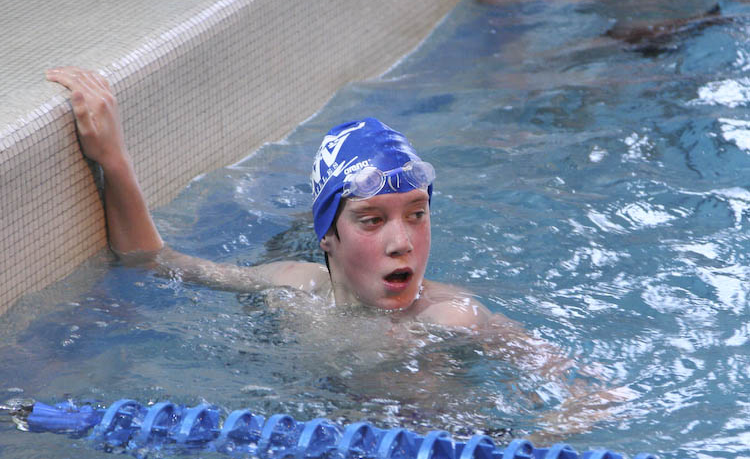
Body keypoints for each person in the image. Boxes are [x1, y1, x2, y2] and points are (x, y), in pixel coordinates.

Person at [45, 66, 631, 442]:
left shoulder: (454, 317)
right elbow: (155, 261)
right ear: (327, 235)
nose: (402, 241)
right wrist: (113, 159)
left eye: (418, 214)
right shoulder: (291, 287)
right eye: (372, 220)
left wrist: (535, 439)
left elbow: (592, 390)